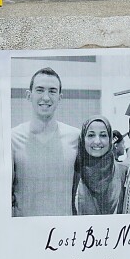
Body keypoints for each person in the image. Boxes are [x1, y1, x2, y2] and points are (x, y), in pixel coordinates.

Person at [12, 67, 80, 217]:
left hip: (62, 231)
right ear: (29, 95)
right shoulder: (13, 138)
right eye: (40, 90)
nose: (46, 97)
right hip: (25, 231)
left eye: (52, 91)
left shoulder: (75, 137)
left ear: (60, 97)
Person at [72, 115, 128, 215]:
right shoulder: (74, 174)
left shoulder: (124, 173)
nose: (97, 141)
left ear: (110, 139)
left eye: (103, 135)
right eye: (91, 135)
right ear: (83, 139)